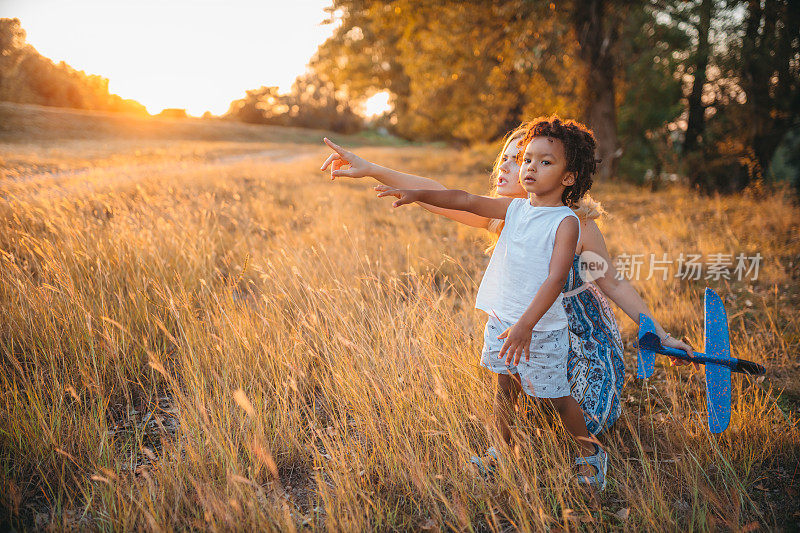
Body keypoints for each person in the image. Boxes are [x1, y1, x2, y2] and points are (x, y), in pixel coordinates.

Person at [320, 125, 694, 439]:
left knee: (582, 421)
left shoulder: (576, 225)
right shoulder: (505, 215)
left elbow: (613, 283)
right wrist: (369, 168)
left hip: (579, 340)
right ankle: (507, 436)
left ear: (565, 174)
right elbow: (440, 193)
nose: (509, 168)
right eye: (511, 158)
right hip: (523, 333)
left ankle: (587, 449)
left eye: (524, 159)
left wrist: (660, 334)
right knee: (523, 403)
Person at [378, 117, 609, 488]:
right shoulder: (515, 210)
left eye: (545, 162)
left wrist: (526, 327)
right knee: (504, 389)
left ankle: (589, 452)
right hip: (504, 320)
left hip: (540, 329)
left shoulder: (566, 223)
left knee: (557, 396)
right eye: (528, 159)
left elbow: (553, 280)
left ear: (569, 177)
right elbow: (465, 200)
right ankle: (501, 450)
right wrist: (420, 195)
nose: (531, 167)